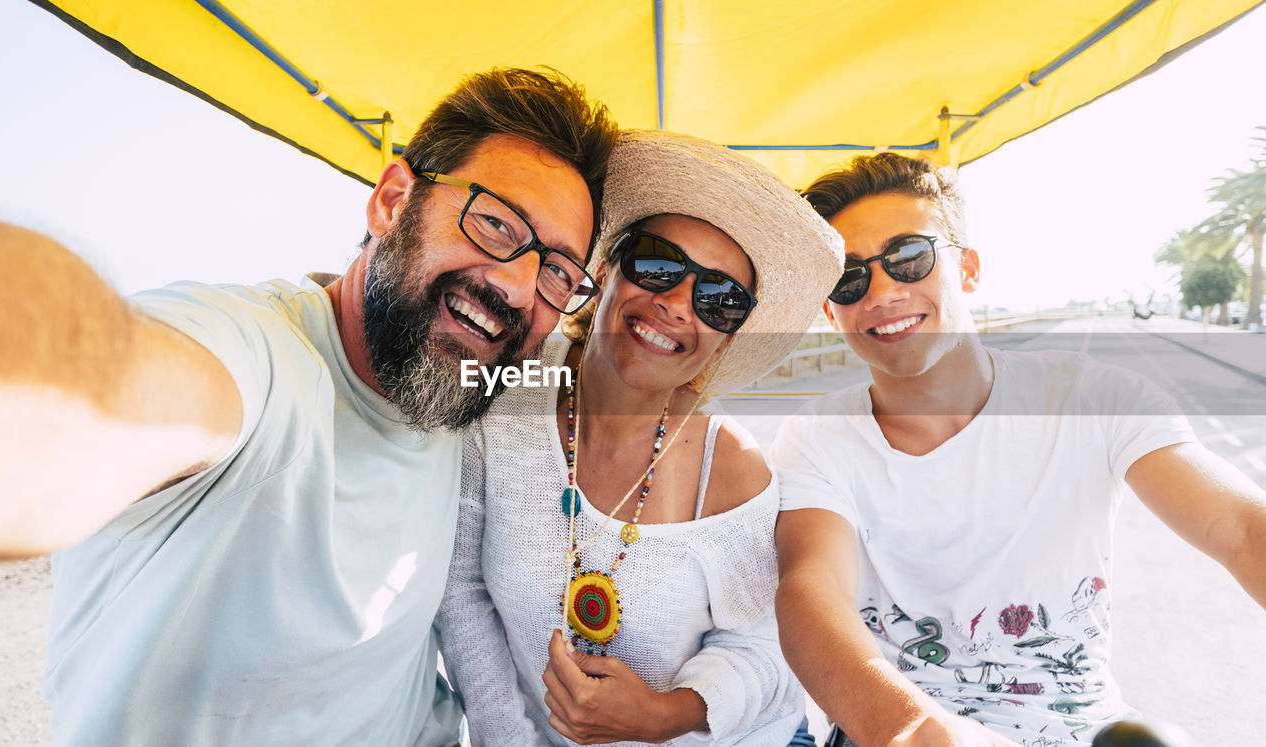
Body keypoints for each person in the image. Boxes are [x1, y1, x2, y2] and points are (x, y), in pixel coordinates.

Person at [0, 67, 616, 744]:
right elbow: (99, 377)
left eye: (557, 273)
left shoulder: (465, 385)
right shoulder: (261, 360)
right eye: (495, 222)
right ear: (392, 201)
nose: (520, 288)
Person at [770, 152, 1266, 746]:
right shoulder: (818, 436)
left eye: (908, 257)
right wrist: (917, 729)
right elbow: (810, 591)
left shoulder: (1094, 397)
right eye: (849, 279)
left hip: (1084, 726)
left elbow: (1239, 529)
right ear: (831, 308)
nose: (881, 291)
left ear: (969, 269)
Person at [436, 129, 845, 745]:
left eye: (721, 300)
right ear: (605, 270)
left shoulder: (730, 466)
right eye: (659, 264)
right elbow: (461, 592)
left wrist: (664, 715)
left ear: (729, 334)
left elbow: (768, 649)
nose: (680, 304)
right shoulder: (506, 390)